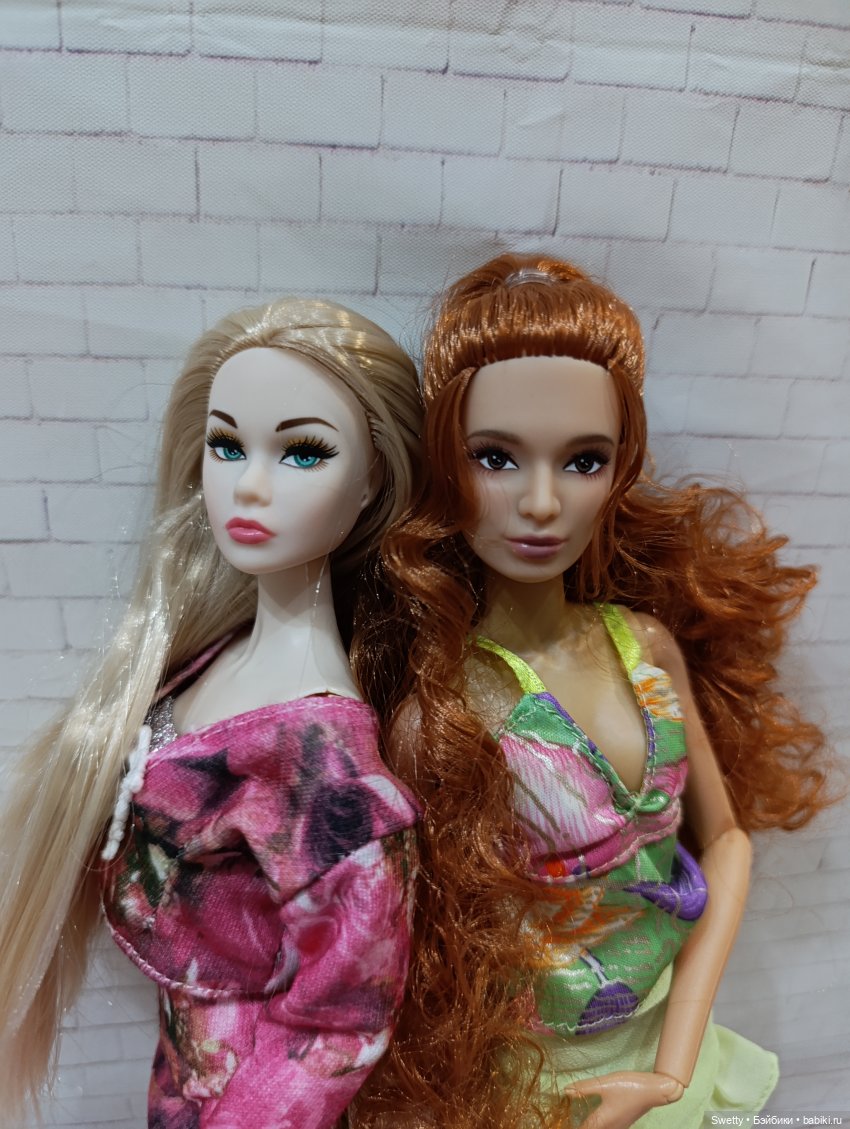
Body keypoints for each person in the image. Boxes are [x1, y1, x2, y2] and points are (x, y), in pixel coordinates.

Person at [351, 254, 831, 1129]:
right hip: (536, 1081)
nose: (541, 502)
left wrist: (672, 1067)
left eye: (583, 459)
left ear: (620, 471)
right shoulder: (447, 710)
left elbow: (726, 840)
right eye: (495, 457)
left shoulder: (644, 645)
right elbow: (416, 950)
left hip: (672, 1047)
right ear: (445, 466)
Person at [0, 298, 423, 1128]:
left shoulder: (326, 762)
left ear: (374, 478)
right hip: (185, 1067)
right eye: (227, 445)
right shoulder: (215, 654)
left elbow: (344, 1015)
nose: (250, 485)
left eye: (304, 452)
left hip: (244, 1098)